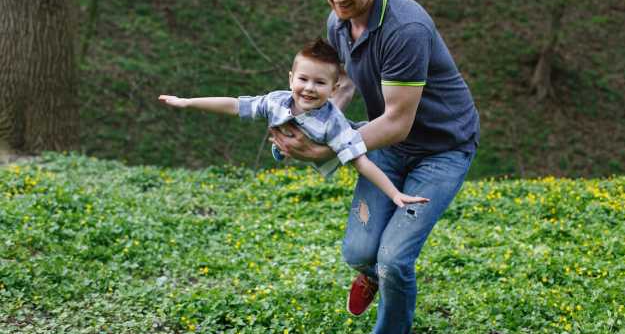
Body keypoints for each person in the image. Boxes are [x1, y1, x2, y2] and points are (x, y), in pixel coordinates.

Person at [269, 0, 480, 334]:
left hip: (441, 150)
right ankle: (370, 274)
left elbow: (399, 121)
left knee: (394, 260)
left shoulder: (405, 30)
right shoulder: (339, 22)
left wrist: (325, 151)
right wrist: (308, 123)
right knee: (360, 253)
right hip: (387, 142)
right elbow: (343, 82)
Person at [158, 38, 429, 208]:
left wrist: (395, 195)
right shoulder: (277, 101)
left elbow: (361, 163)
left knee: (371, 146)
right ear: (291, 79)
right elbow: (234, 104)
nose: (309, 89)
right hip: (303, 140)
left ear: (334, 88)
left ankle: (413, 159)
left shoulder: (333, 124)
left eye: (320, 83)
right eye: (303, 79)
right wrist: (188, 101)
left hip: (356, 137)